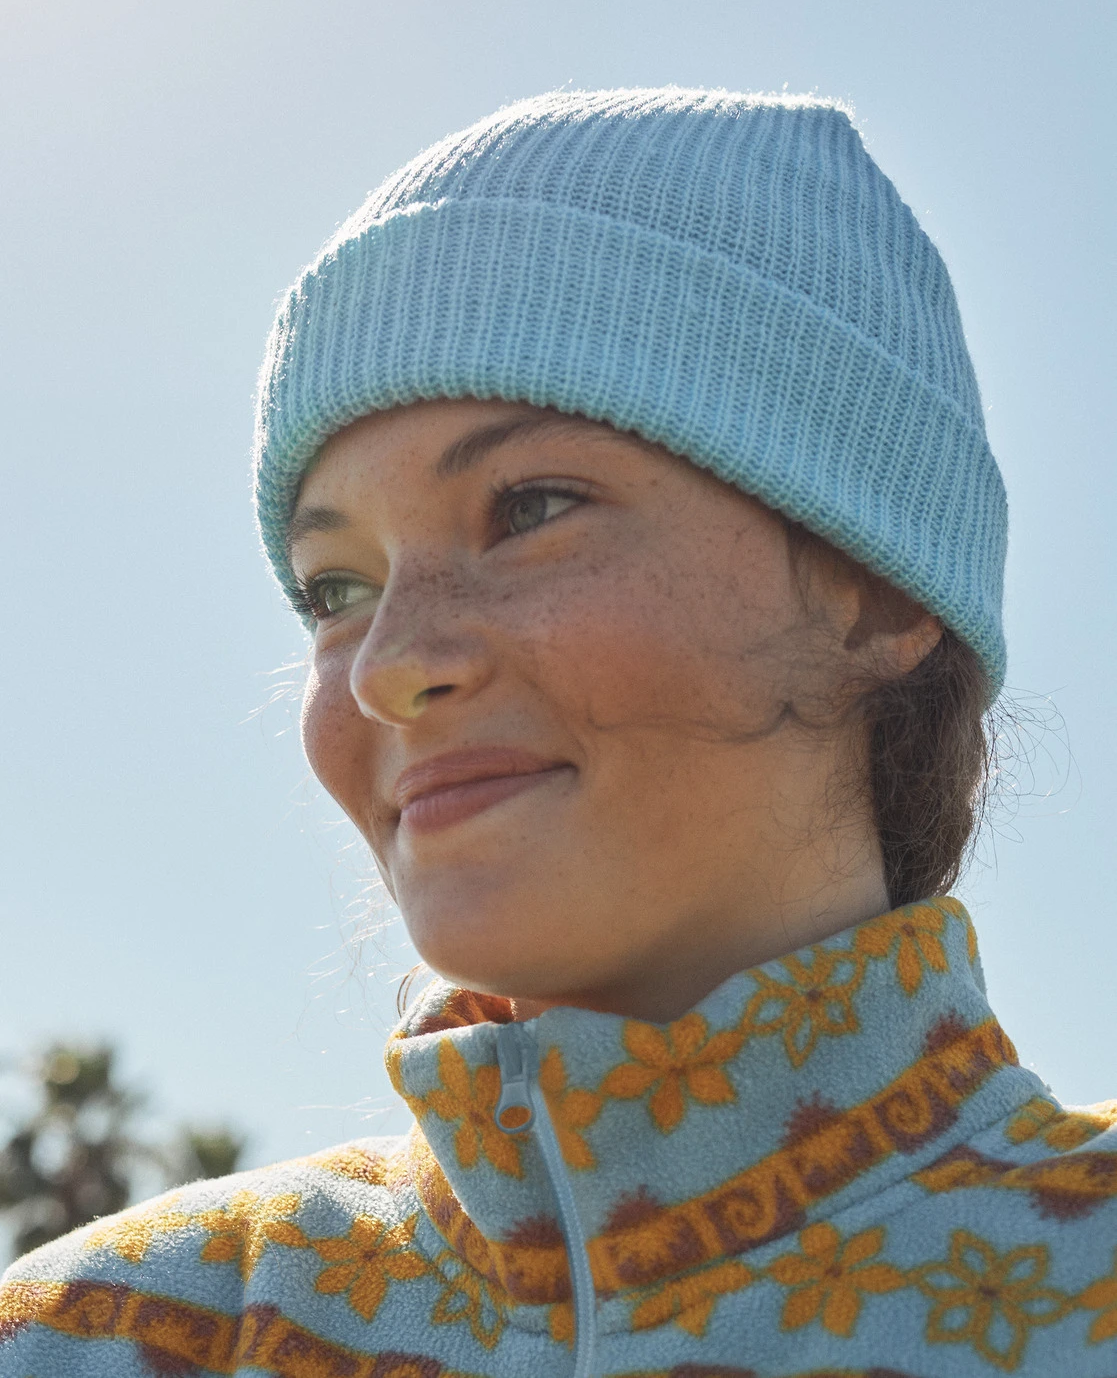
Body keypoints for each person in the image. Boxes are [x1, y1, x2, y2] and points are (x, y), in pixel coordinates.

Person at [2, 88, 1114, 1378]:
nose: (390, 667)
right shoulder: (105, 1334)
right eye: (336, 589)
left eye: (530, 508)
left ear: (878, 585)